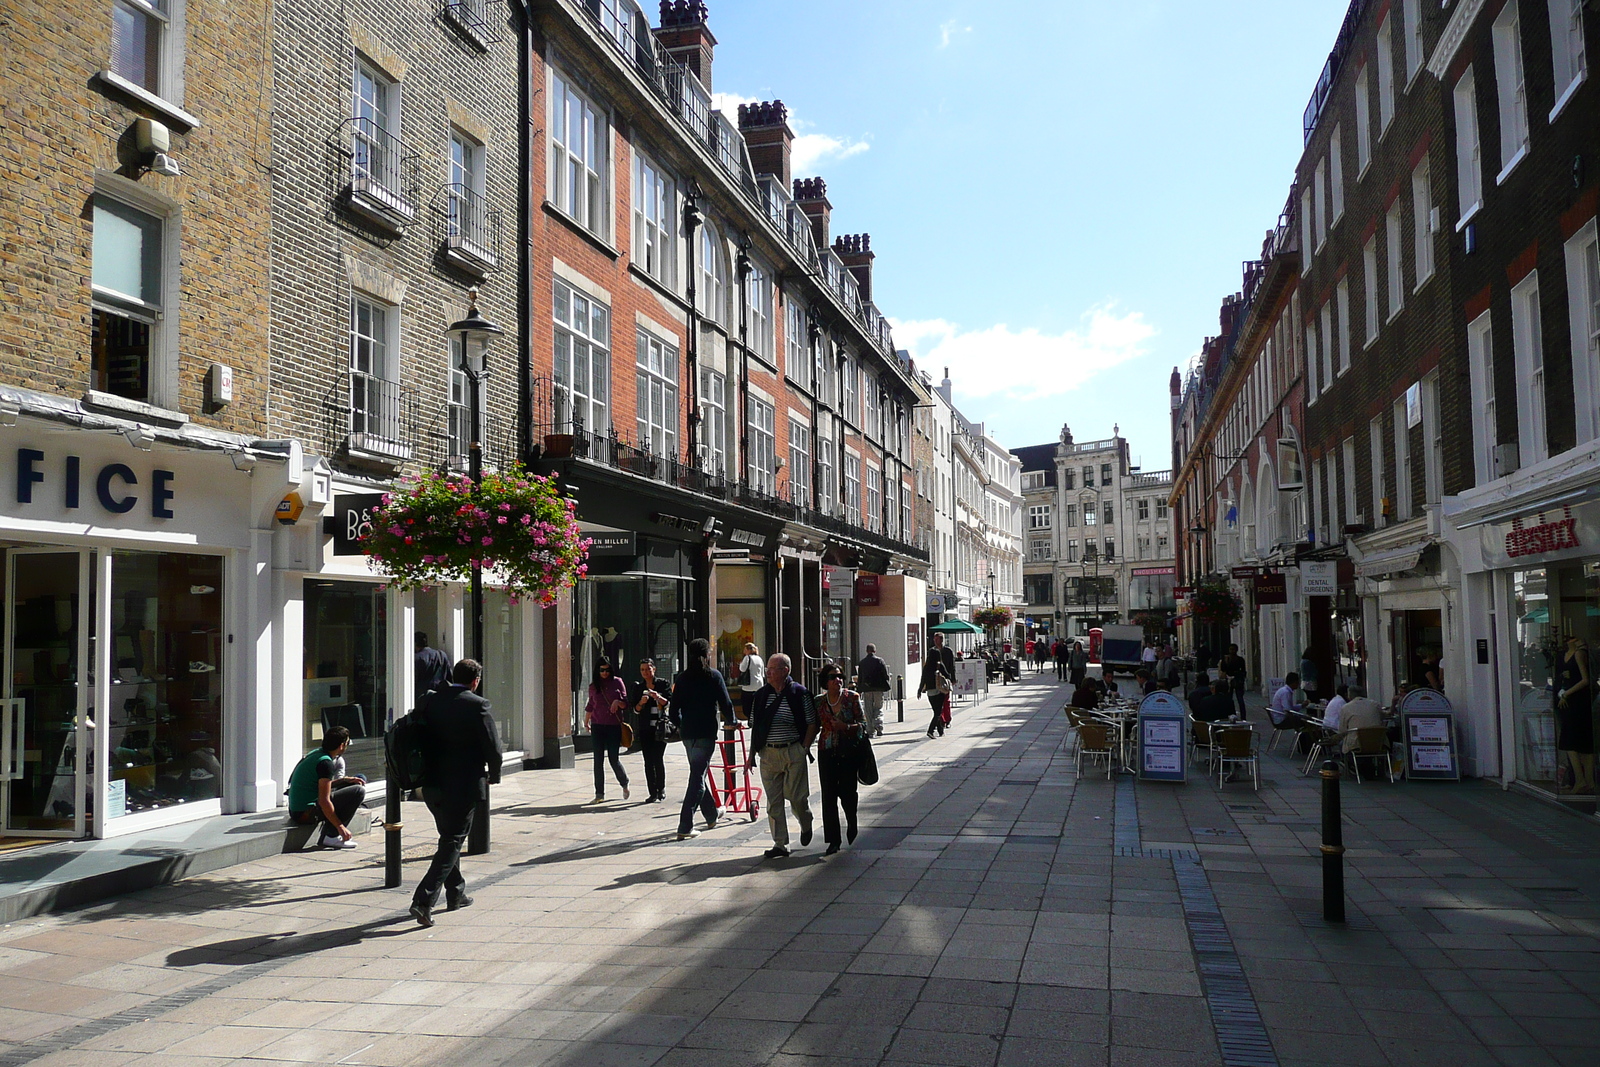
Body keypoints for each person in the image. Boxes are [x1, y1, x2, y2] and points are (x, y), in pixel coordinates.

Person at [410, 658, 502, 928]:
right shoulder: (478, 705)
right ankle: (423, 901)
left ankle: (456, 893)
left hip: (430, 784)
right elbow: (492, 746)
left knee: (448, 837)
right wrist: (494, 775)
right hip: (462, 784)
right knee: (452, 841)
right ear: (476, 680)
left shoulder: (431, 700)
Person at [745, 653, 817, 858]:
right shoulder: (760, 696)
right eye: (767, 668)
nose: (768, 672)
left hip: (793, 751)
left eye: (773, 669)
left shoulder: (800, 693)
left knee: (796, 797)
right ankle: (780, 844)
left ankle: (805, 821)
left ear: (785, 671)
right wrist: (751, 756)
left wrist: (804, 748)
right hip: (768, 753)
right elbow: (755, 728)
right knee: (773, 801)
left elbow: (812, 723)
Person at [667, 638, 731, 840]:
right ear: (706, 655)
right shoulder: (713, 676)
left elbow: (673, 709)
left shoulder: (683, 678)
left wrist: (680, 724)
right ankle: (685, 824)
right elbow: (726, 703)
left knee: (698, 773)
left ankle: (712, 815)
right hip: (705, 732)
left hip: (688, 733)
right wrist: (733, 721)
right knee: (697, 778)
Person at [815, 663, 866, 855]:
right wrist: (804, 745)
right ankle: (834, 840)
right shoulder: (819, 701)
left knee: (848, 793)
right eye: (832, 677)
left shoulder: (852, 698)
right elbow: (813, 725)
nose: (838, 680)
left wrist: (845, 727)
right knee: (828, 796)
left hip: (848, 752)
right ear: (825, 682)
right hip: (826, 751)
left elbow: (863, 725)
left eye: (840, 676)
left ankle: (851, 820)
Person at [287, 725, 364, 849]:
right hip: (305, 813)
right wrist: (340, 827)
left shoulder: (317, 754)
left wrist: (344, 780)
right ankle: (331, 836)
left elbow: (320, 786)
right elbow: (324, 801)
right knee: (358, 791)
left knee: (357, 781)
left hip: (297, 810)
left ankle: (331, 831)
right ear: (341, 746)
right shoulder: (326, 764)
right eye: (347, 743)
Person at [582, 659, 630, 804]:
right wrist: (586, 722)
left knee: (613, 759)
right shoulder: (593, 686)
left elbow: (626, 703)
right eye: (602, 670)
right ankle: (599, 794)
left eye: (607, 670)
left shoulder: (617, 682)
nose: (605, 673)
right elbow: (590, 705)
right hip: (597, 725)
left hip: (613, 725)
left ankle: (624, 782)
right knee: (598, 760)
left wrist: (617, 702)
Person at [629, 658, 673, 803]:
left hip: (660, 728)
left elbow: (669, 702)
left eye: (648, 669)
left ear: (654, 669)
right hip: (645, 728)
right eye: (642, 670)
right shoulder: (638, 687)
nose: (646, 672)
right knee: (648, 760)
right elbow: (635, 710)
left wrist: (657, 697)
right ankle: (652, 792)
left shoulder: (663, 684)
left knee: (658, 758)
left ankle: (661, 789)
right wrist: (641, 703)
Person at [1555, 635, 1594, 794]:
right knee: (1577, 741)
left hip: (1577, 701)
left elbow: (1585, 679)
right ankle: (1587, 780)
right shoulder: (1565, 655)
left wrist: (1567, 693)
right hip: (1569, 700)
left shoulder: (1579, 653)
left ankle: (1581, 780)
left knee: (1572, 741)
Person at [918, 632, 957, 738]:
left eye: (937, 639)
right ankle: (932, 730)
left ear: (941, 639)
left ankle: (941, 728)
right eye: (934, 639)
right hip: (939, 687)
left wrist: (920, 689)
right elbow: (946, 672)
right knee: (938, 710)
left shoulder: (947, 651)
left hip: (935, 687)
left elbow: (952, 666)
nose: (935, 641)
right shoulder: (937, 661)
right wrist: (949, 678)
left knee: (940, 708)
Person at [856, 643, 892, 738]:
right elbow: (885, 674)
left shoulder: (862, 663)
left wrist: (859, 689)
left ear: (866, 651)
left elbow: (860, 678)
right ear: (875, 651)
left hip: (867, 689)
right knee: (878, 708)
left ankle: (870, 731)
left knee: (868, 710)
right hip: (878, 689)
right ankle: (878, 725)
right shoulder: (880, 661)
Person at [1337, 685, 1384, 753]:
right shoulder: (1375, 705)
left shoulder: (1346, 708)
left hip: (1356, 744)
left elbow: (1342, 730)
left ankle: (1348, 762)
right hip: (1377, 742)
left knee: (1342, 743)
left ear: (1349, 695)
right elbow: (1381, 719)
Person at [414, 632, 451, 709]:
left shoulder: (416, 658)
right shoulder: (441, 655)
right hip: (440, 696)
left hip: (422, 699)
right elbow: (449, 676)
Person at [737, 642, 765, 724]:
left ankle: (750, 719)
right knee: (756, 704)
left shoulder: (747, 658)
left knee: (747, 705)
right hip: (759, 684)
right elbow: (762, 673)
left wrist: (740, 664)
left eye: (745, 649)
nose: (744, 651)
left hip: (748, 685)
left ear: (748, 650)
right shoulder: (759, 659)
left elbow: (742, 669)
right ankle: (755, 719)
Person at [1219, 643, 1248, 718]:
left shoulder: (1240, 660)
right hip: (1229, 680)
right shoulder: (1226, 659)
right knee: (1229, 699)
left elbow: (1243, 670)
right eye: (1230, 649)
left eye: (1233, 649)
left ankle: (1242, 716)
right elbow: (1223, 669)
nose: (1232, 651)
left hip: (1237, 680)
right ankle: (1231, 714)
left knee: (1239, 699)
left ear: (1236, 650)